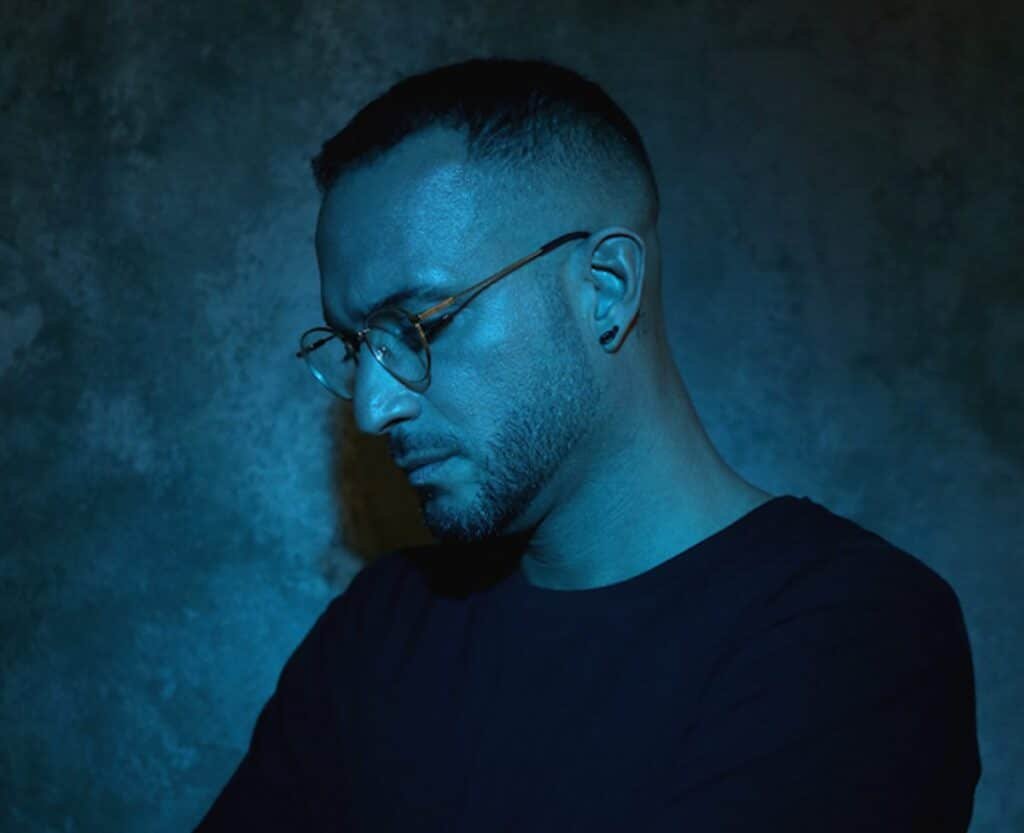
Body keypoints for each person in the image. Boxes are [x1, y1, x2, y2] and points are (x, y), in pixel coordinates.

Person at [194, 58, 981, 831]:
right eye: (356, 346)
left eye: (419, 325)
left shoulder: (853, 631)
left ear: (605, 290)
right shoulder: (381, 631)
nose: (373, 407)